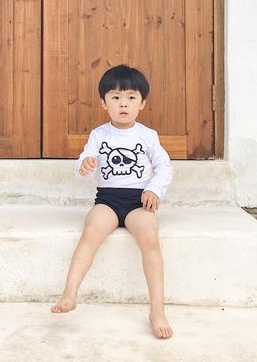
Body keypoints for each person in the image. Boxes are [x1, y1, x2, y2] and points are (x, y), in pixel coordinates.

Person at [50, 64, 173, 339]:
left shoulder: (147, 136)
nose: (123, 104)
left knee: (150, 238)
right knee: (91, 230)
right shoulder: (99, 135)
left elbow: (164, 167)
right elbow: (85, 160)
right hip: (107, 200)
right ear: (104, 103)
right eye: (115, 97)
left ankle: (157, 310)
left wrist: (154, 189)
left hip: (138, 201)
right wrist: (84, 164)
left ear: (142, 103)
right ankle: (70, 293)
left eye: (131, 97)